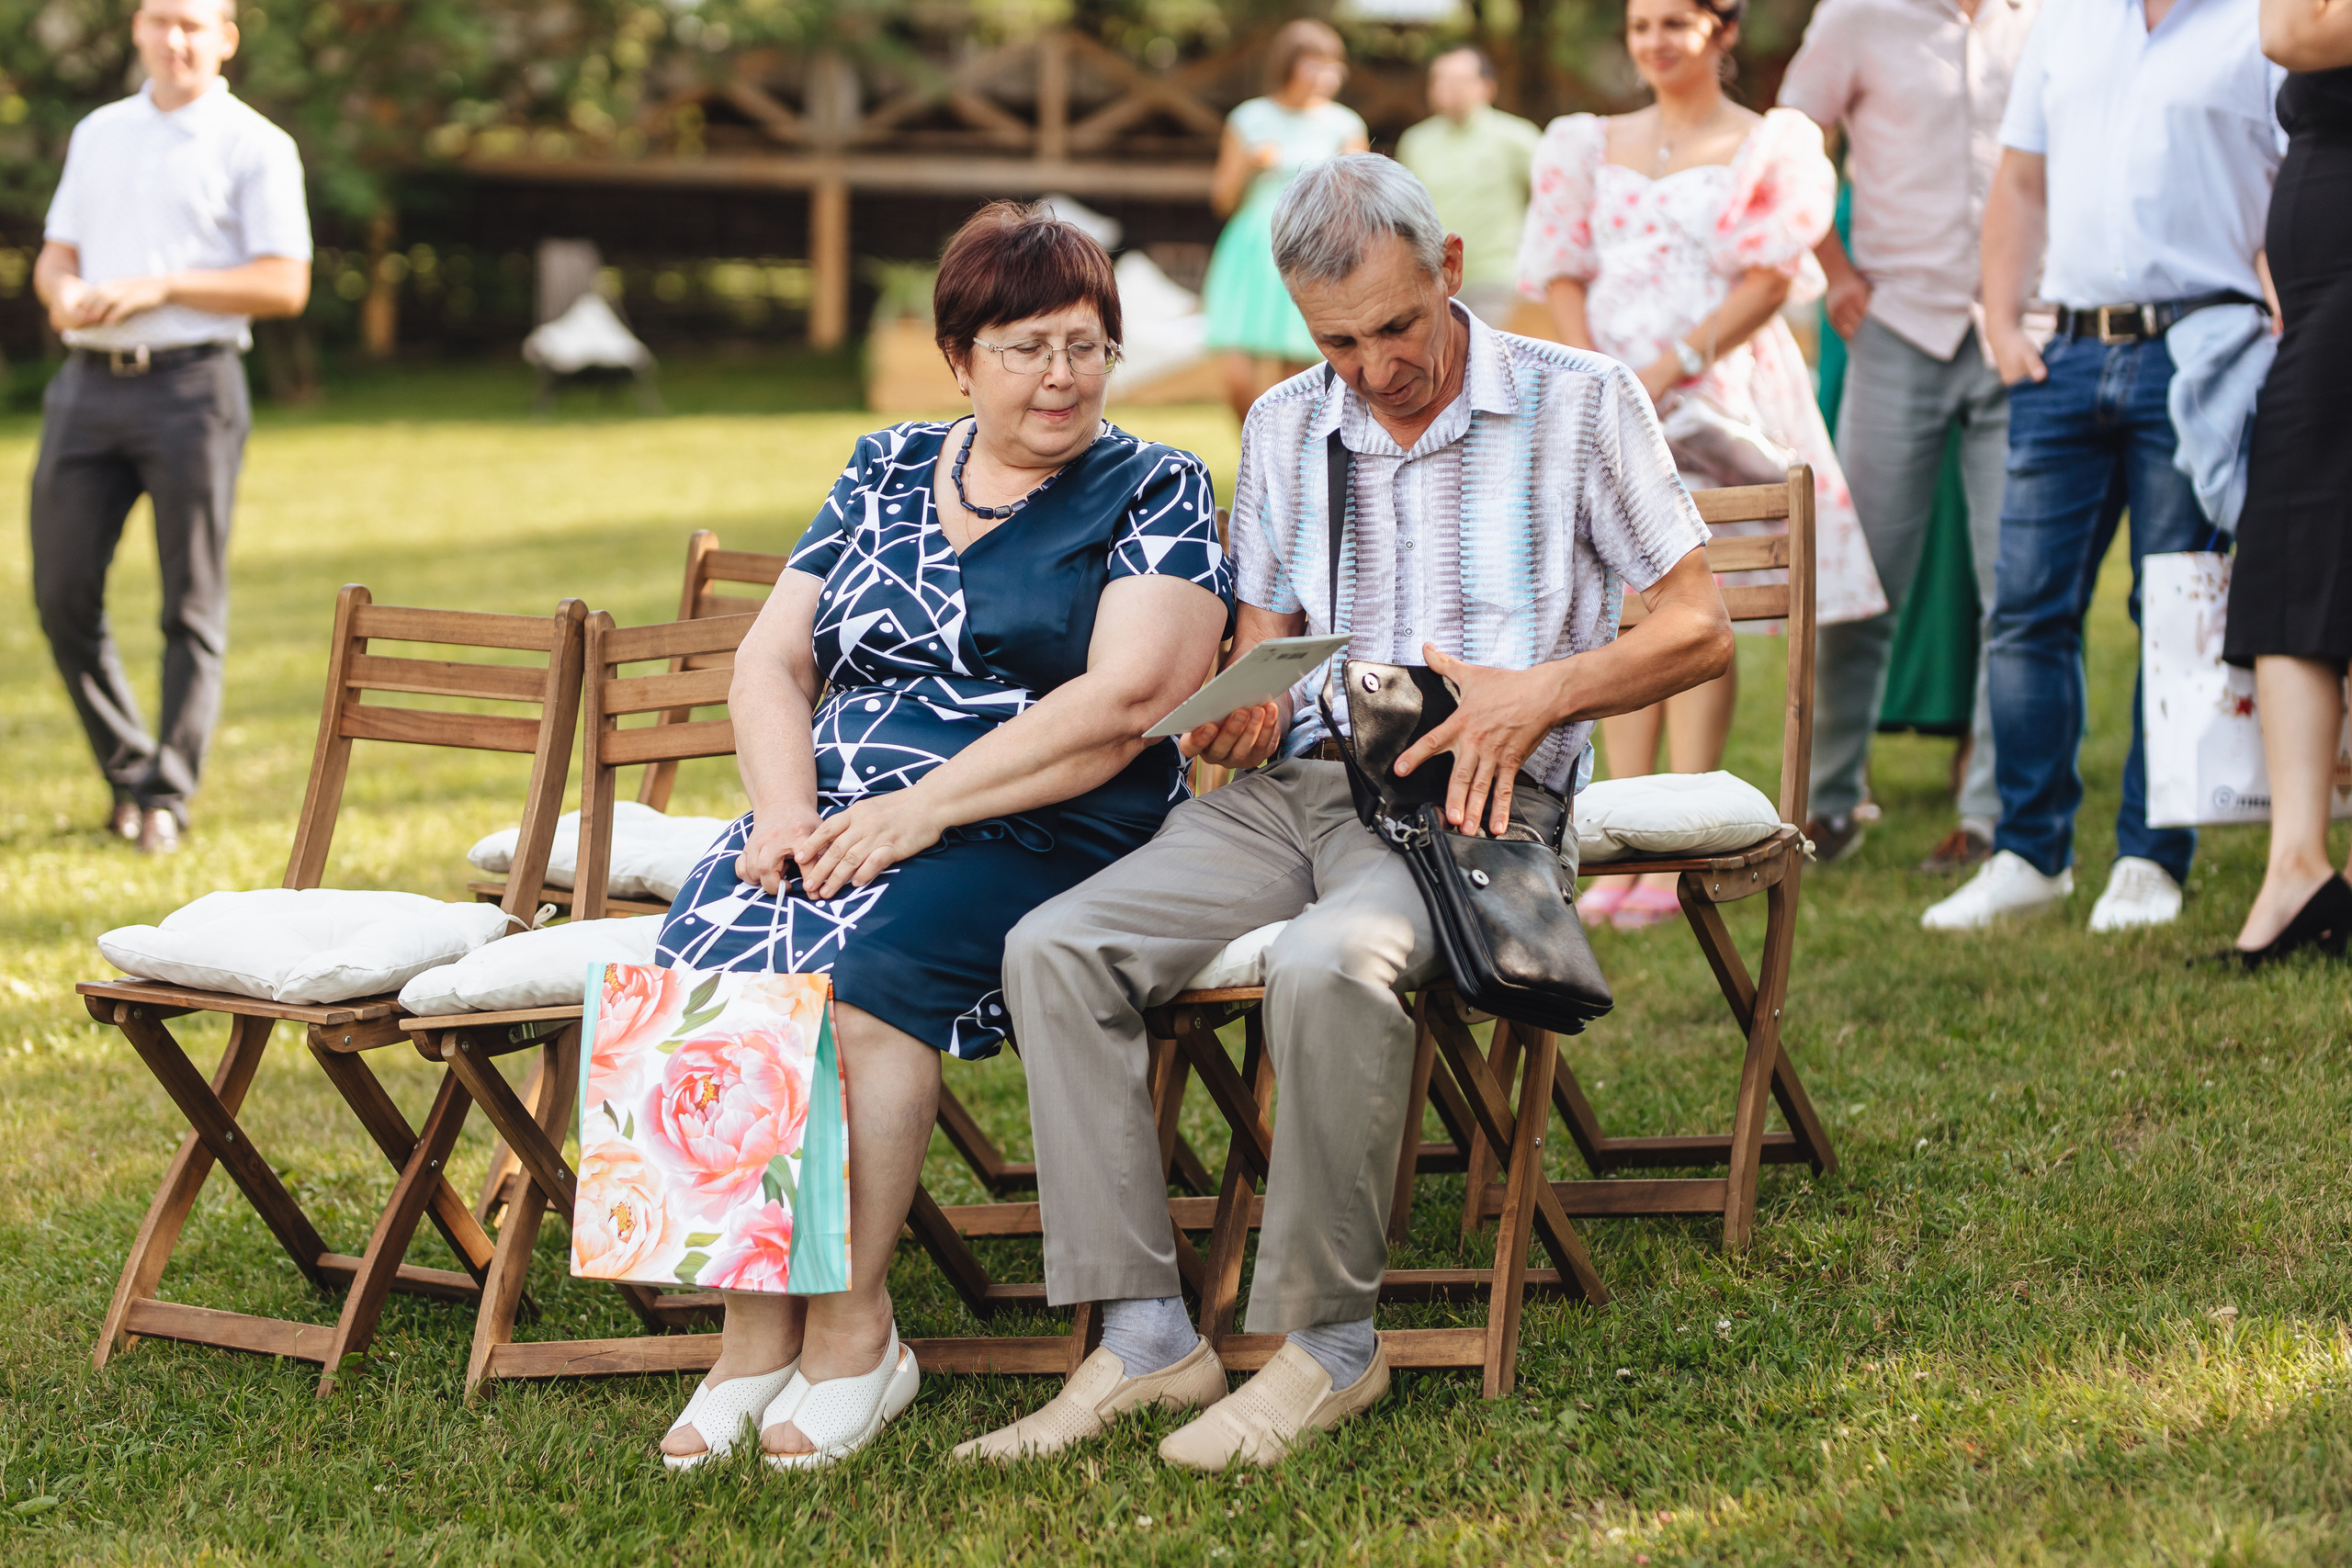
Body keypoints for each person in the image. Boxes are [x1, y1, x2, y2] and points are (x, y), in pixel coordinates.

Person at [958, 156, 1730, 1471]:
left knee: (1331, 958)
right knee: (1053, 947)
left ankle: (1328, 1346)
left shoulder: (1583, 400)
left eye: (1395, 328)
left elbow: (1700, 629)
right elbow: (1262, 652)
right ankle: (1148, 1334)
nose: (1372, 368)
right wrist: (1235, 710)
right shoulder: (1281, 422)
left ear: (1449, 265)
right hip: (1293, 787)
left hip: (1473, 802)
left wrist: (1537, 694)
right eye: (1337, 340)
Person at [650, 202, 1232, 1471]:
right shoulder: (883, 465)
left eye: (1085, 344)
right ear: (959, 356)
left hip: (1042, 817)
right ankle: (754, 1331)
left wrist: (927, 805)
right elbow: (771, 658)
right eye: (1026, 347)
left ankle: (858, 1334)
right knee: (719, 958)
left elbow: (1129, 701)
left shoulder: (1154, 484)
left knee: (861, 978)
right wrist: (789, 810)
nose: (1061, 375)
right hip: (838, 808)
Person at [1922, 0, 2284, 934]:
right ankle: (2028, 853)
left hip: (2201, 348)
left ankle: (2149, 859)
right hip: (2065, 353)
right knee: (2025, 611)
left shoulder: (2261, 22)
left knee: (2172, 612)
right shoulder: (2066, 21)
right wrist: (2001, 323)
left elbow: (2303, 174)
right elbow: (2020, 179)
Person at [1519, 0, 1863, 929]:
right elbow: (1559, 266)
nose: (1654, 41)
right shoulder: (1585, 143)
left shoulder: (1771, 141)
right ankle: (1622, 834)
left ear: (1721, 30)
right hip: (1609, 386)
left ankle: (1688, 825)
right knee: (1620, 604)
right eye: (1639, 25)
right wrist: (1597, 376)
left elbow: (1772, 276)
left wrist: (1670, 369)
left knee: (1694, 599)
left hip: (1714, 389)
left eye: (1675, 21)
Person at [29, 0, 310, 855]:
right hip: (86, 387)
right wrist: (60, 294)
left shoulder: (255, 144)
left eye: (194, 24)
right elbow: (57, 253)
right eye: (159, 20)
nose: (175, 38)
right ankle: (127, 766)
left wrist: (162, 288)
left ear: (225, 38)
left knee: (189, 602)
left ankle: (165, 793)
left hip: (195, 388)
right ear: (138, 31)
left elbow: (284, 283)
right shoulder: (99, 132)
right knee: (61, 594)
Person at [1778, 0, 2041, 873]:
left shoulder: (2054, 18)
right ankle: (1829, 800)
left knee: (2018, 585)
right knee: (1859, 579)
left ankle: (1991, 816)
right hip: (1897, 328)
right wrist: (1836, 270)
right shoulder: (1858, 15)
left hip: (2024, 331)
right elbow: (1788, 144)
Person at [2219, 0, 2352, 964]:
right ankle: (2297, 867)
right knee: (2294, 538)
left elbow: (2295, 30)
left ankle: (2301, 872)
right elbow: (2289, 29)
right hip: (2318, 271)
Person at [1201, 18, 1369, 422]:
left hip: (1311, 250)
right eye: (1314, 64)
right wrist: (1248, 164)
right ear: (1289, 65)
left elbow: (1359, 200)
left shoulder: (1344, 125)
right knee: (1238, 375)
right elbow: (1222, 198)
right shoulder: (1250, 118)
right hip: (1253, 245)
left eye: (1332, 66)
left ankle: (1286, 459)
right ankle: (1254, 447)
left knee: (1296, 373)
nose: (1326, 76)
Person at [1396, 47, 1543, 329]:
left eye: (1458, 80)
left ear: (1486, 87)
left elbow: (1554, 198)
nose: (1446, 87)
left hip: (1496, 276)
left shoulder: (1517, 138)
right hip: (1434, 278)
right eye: (1438, 79)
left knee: (1484, 363)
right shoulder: (1415, 142)